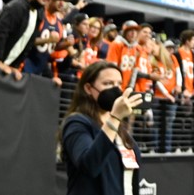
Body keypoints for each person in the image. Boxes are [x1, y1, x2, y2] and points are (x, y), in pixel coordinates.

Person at [60, 61, 145, 195]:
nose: (116, 89)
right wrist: (115, 117)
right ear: (88, 88)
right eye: (108, 84)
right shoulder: (76, 123)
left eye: (119, 84)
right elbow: (90, 164)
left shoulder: (119, 128)